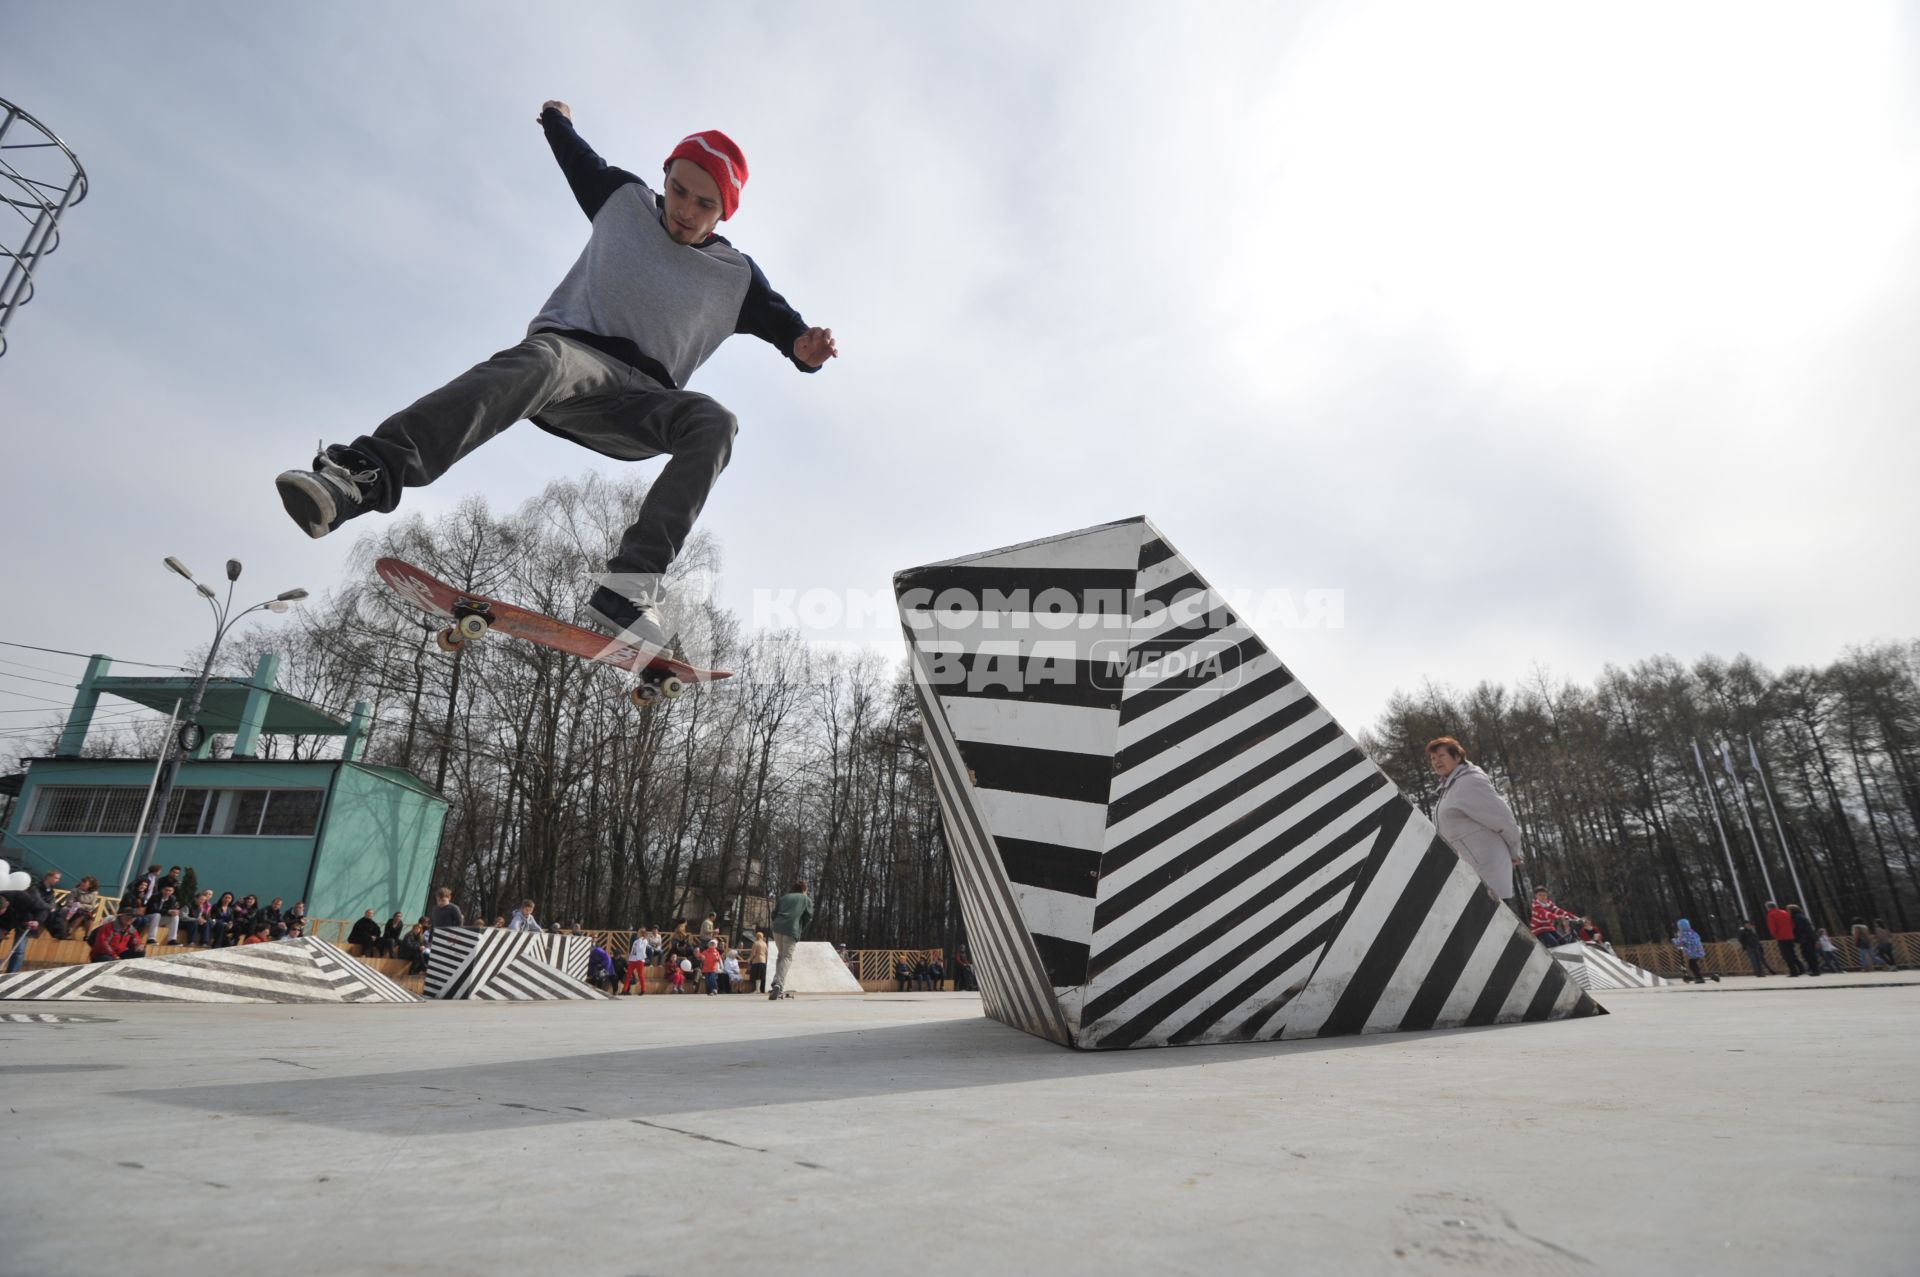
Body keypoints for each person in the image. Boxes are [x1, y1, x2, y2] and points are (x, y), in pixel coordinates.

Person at [274, 100, 838, 659]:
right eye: (679, 190)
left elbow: (791, 333)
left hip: (641, 405)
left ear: (725, 212)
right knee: (544, 359)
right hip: (570, 362)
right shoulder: (624, 200)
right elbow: (578, 159)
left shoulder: (736, 277)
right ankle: (363, 476)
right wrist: (557, 120)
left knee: (716, 422)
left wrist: (806, 351)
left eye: (703, 203)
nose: (684, 210)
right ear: (665, 176)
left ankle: (627, 590)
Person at [1426, 737, 1525, 902]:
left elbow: (1503, 819)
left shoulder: (1469, 782)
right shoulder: (1450, 787)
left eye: (1441, 756)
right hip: (1472, 873)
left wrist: (1514, 851)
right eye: (1433, 758)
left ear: (1457, 757)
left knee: (1496, 925)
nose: (1436, 761)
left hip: (1487, 872)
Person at [767, 880, 815, 1001]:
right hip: (791, 929)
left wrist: (777, 923)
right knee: (787, 957)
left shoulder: (784, 897)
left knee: (781, 955)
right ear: (804, 889)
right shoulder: (806, 899)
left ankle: (775, 981)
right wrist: (800, 928)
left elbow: (774, 913)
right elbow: (808, 916)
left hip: (777, 928)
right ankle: (779, 983)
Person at [1670, 919, 1719, 983]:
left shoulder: (1683, 934)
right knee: (1693, 963)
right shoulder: (1693, 932)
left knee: (1692, 964)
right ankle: (1698, 976)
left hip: (1693, 951)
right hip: (1699, 950)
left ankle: (1699, 977)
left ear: (1680, 926)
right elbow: (1698, 938)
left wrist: (1674, 940)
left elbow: (1680, 942)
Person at [1764, 901, 1805, 976]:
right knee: (1792, 954)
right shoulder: (1785, 912)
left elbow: (1772, 927)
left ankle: (1793, 971)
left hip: (1781, 937)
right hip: (1790, 936)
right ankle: (1801, 968)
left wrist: (1774, 935)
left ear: (1768, 908)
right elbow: (1792, 925)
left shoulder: (1771, 914)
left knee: (1786, 955)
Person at [1787, 903, 1821, 979]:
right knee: (1810, 954)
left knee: (1808, 954)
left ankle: (1815, 970)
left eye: (1788, 910)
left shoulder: (1796, 918)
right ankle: (1815, 970)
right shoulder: (1801, 916)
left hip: (1806, 939)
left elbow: (1800, 929)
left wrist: (1798, 938)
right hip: (1810, 938)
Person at [625, 930, 651, 995]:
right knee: (628, 975)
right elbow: (633, 950)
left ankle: (643, 990)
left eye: (640, 933)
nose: (638, 934)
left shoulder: (644, 941)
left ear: (642, 934)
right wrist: (629, 958)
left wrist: (640, 939)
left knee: (640, 975)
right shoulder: (636, 941)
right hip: (632, 960)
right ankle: (624, 990)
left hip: (639, 960)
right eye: (638, 933)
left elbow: (640, 948)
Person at [748, 928, 768, 994]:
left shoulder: (755, 943)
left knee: (757, 976)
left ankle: (757, 989)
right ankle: (759, 989)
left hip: (756, 961)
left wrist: (750, 959)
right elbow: (767, 953)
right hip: (763, 961)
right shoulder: (765, 944)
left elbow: (753, 953)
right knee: (761, 976)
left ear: (757, 936)